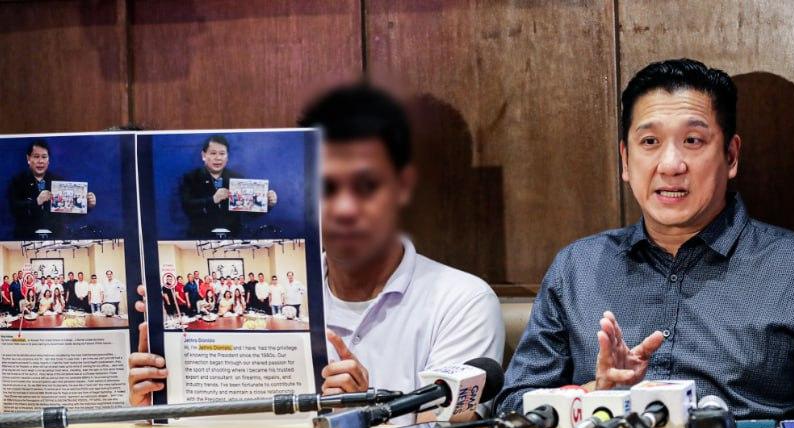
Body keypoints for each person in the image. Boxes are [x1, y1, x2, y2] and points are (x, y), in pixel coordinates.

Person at [494, 59, 794, 420]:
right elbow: (513, 406)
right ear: (625, 160)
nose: (670, 165)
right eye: (650, 141)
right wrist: (595, 393)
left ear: (731, 156)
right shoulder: (576, 269)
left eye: (692, 141)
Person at [128, 83, 505, 408]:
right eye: (326, 188)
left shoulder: (461, 302)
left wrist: (364, 407)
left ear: (402, 187)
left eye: (367, 186)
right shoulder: (275, 304)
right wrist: (156, 405)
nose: (344, 209)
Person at [179, 135, 278, 238]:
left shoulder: (238, 179)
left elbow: (250, 213)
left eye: (222, 153)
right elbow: (187, 206)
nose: (218, 158)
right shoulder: (191, 178)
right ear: (203, 155)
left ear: (227, 157)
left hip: (233, 238)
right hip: (200, 237)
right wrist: (213, 199)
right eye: (213, 153)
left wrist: (268, 203)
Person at [6, 139, 96, 238]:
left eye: (44, 157)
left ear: (48, 160)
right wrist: (37, 201)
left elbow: (70, 215)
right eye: (36, 156)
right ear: (28, 158)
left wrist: (87, 205)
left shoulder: (59, 182)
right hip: (26, 238)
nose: (40, 161)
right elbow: (14, 210)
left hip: (55, 238)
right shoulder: (17, 182)